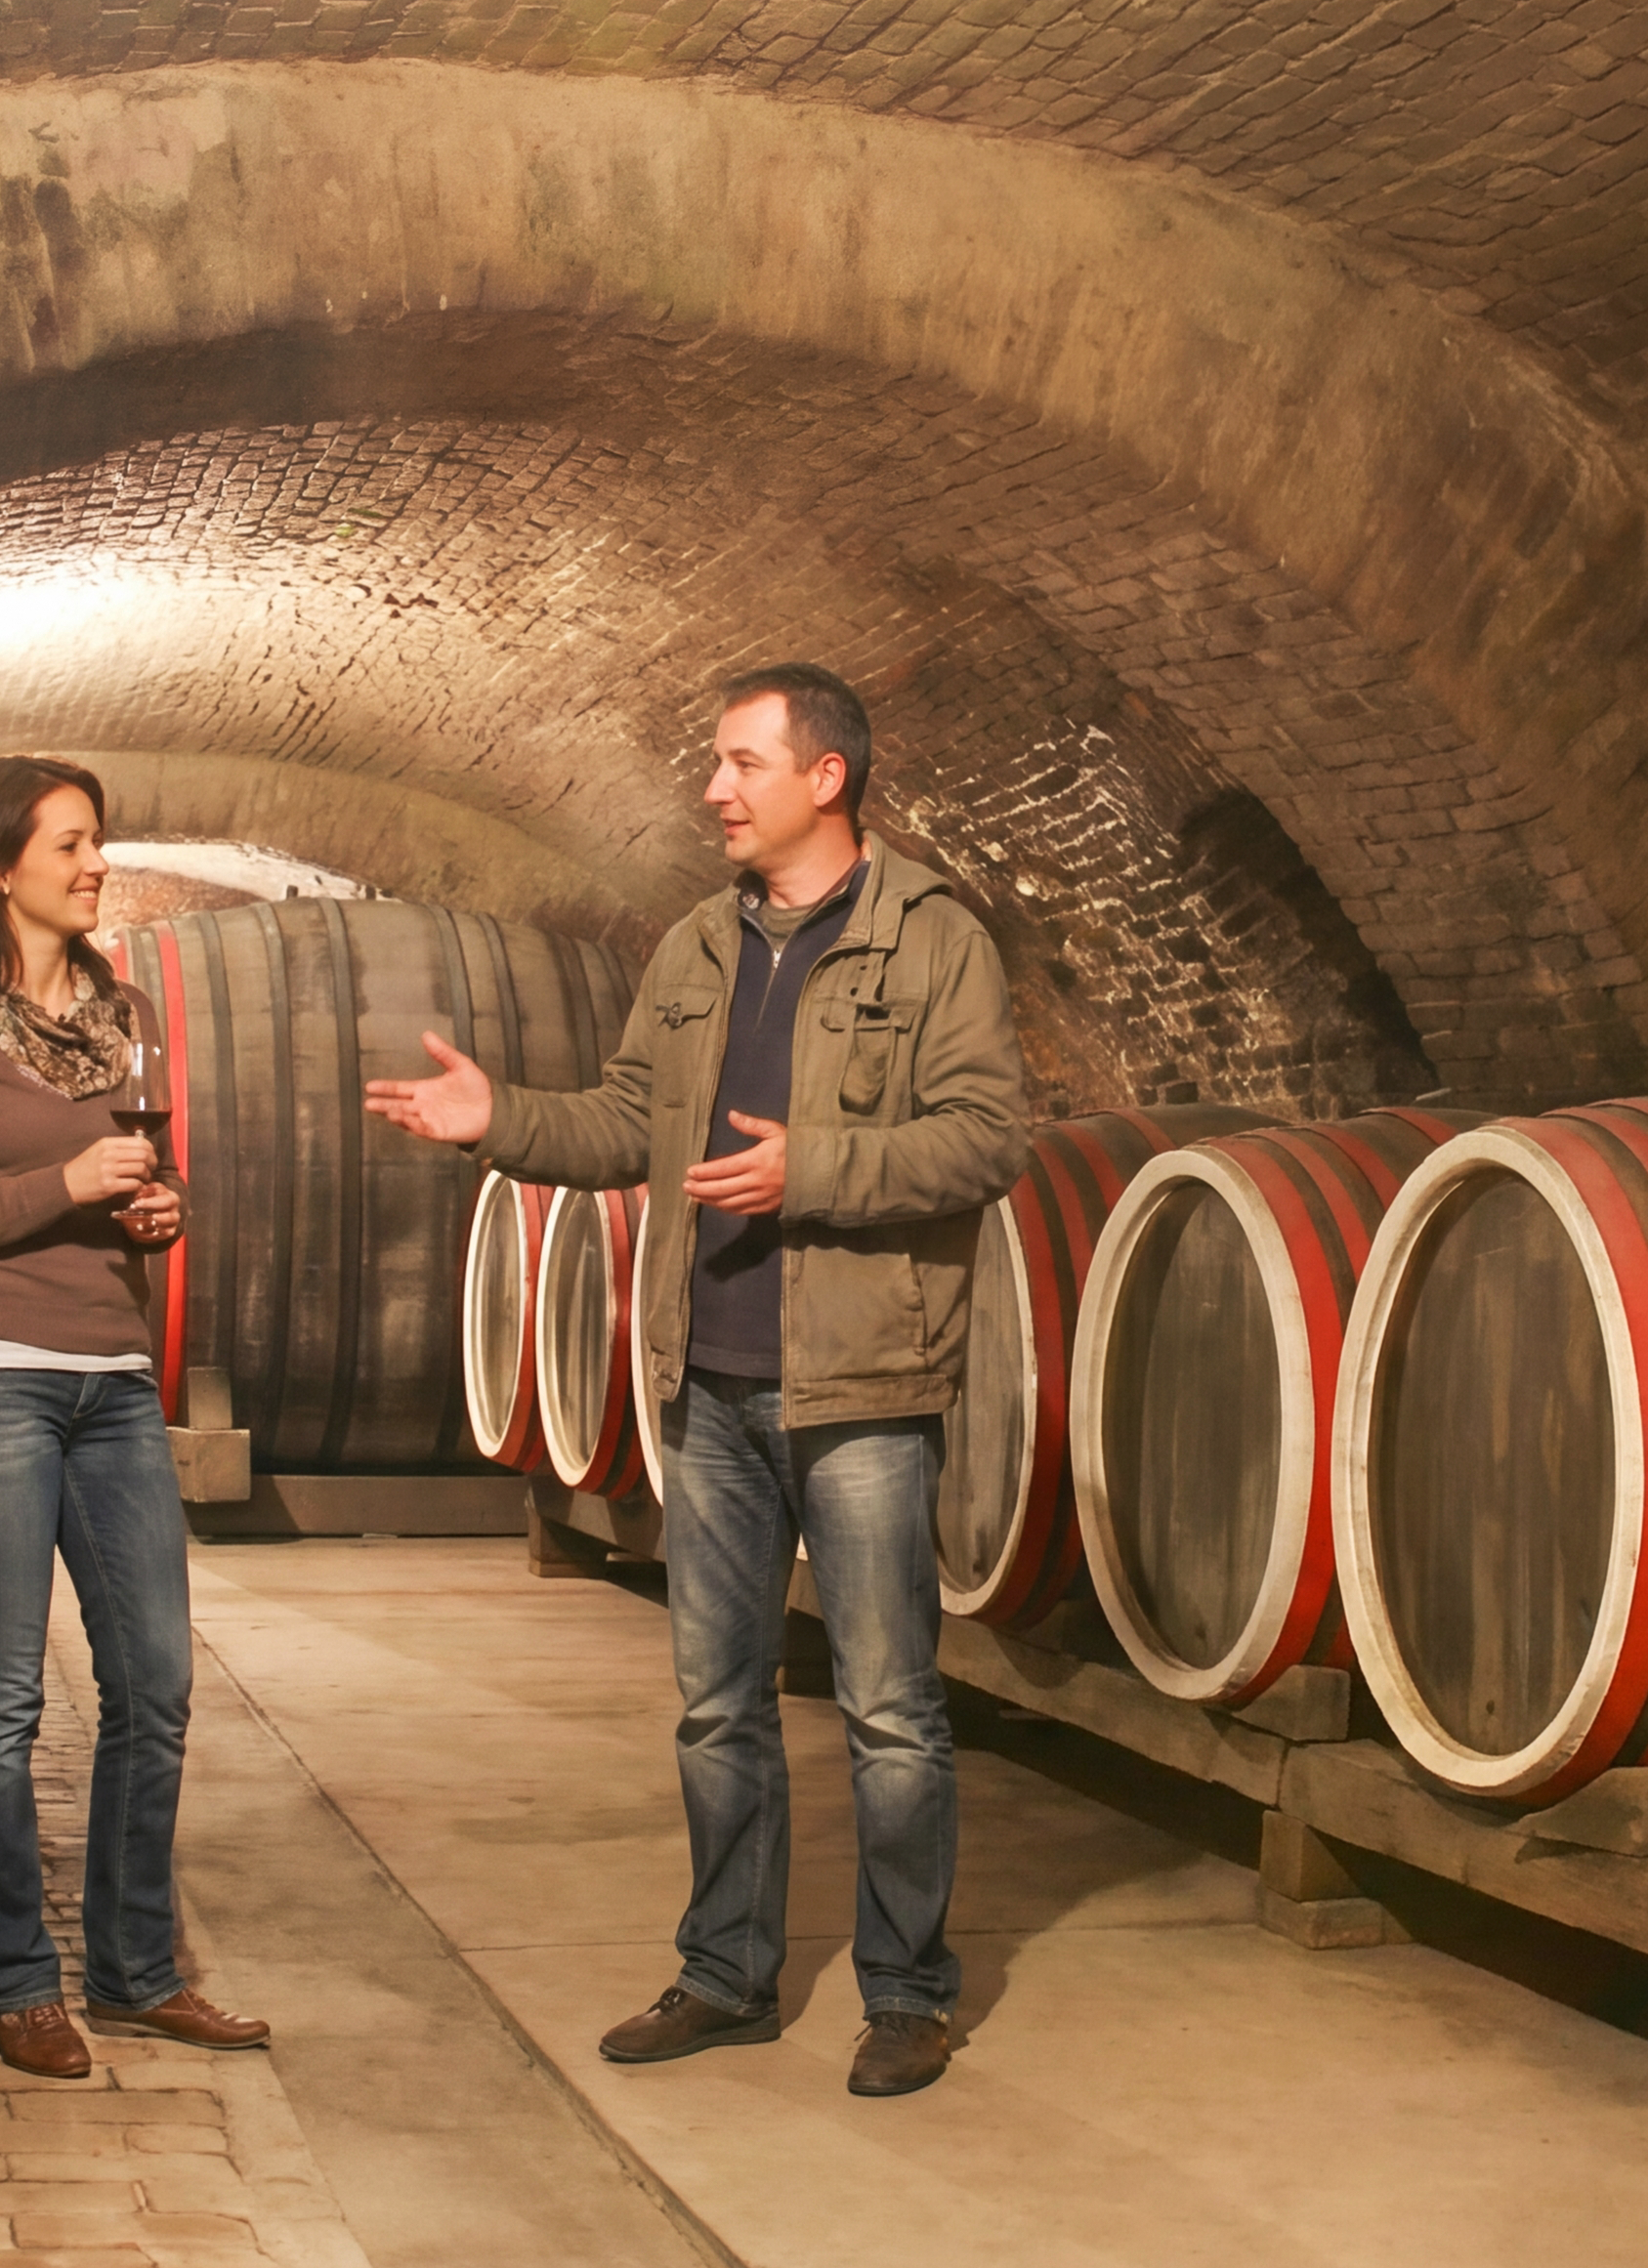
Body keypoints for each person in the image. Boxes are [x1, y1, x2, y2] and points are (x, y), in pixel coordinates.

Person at [364, 664, 1026, 2098]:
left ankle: (906, 1991)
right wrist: (500, 1120)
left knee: (890, 1709)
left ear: (825, 776)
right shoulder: (694, 946)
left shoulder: (931, 940)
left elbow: (987, 1139)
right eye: (716, 766)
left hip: (857, 1385)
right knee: (716, 1703)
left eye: (739, 762)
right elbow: (622, 1124)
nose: (714, 789)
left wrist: (819, 1167)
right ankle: (727, 1970)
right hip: (707, 1385)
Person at [0, 754, 273, 2079]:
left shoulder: (124, 1019)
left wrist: (153, 1214)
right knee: (1, 1697)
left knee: (155, 1681)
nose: (94, 861)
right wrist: (67, 1177)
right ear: (2, 865)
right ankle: (16, 1979)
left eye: (96, 841)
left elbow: (131, 1189)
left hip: (113, 1381)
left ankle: (136, 1969)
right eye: (70, 842)